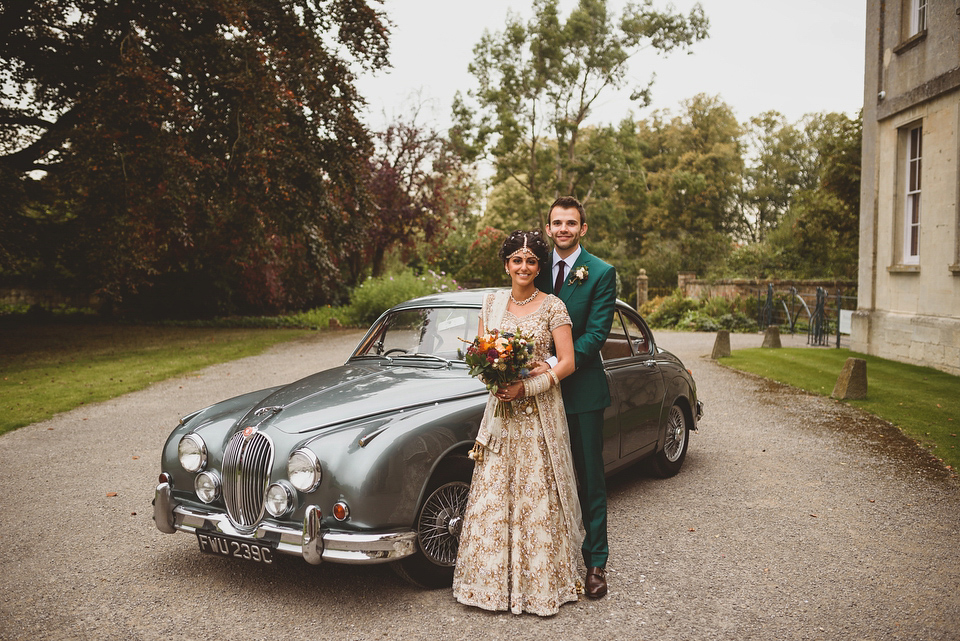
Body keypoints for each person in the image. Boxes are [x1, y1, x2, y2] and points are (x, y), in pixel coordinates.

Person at [453, 230, 585, 617]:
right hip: (500, 416)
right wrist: (495, 381)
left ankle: (541, 588)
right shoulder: (491, 303)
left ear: (539, 266)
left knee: (535, 498)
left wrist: (526, 388)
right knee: (494, 495)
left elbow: (567, 361)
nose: (523, 267)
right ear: (506, 264)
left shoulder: (553, 307)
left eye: (531, 261)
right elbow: (479, 356)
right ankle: (489, 587)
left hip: (538, 417)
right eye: (517, 260)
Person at [532, 196, 617, 599]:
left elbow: (597, 334)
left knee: (589, 479)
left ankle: (595, 562)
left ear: (582, 229)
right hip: (534, 395)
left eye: (571, 223)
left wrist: (554, 363)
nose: (563, 229)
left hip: (582, 392)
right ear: (547, 228)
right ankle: (549, 558)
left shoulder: (601, 272)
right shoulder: (532, 267)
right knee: (542, 478)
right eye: (556, 223)